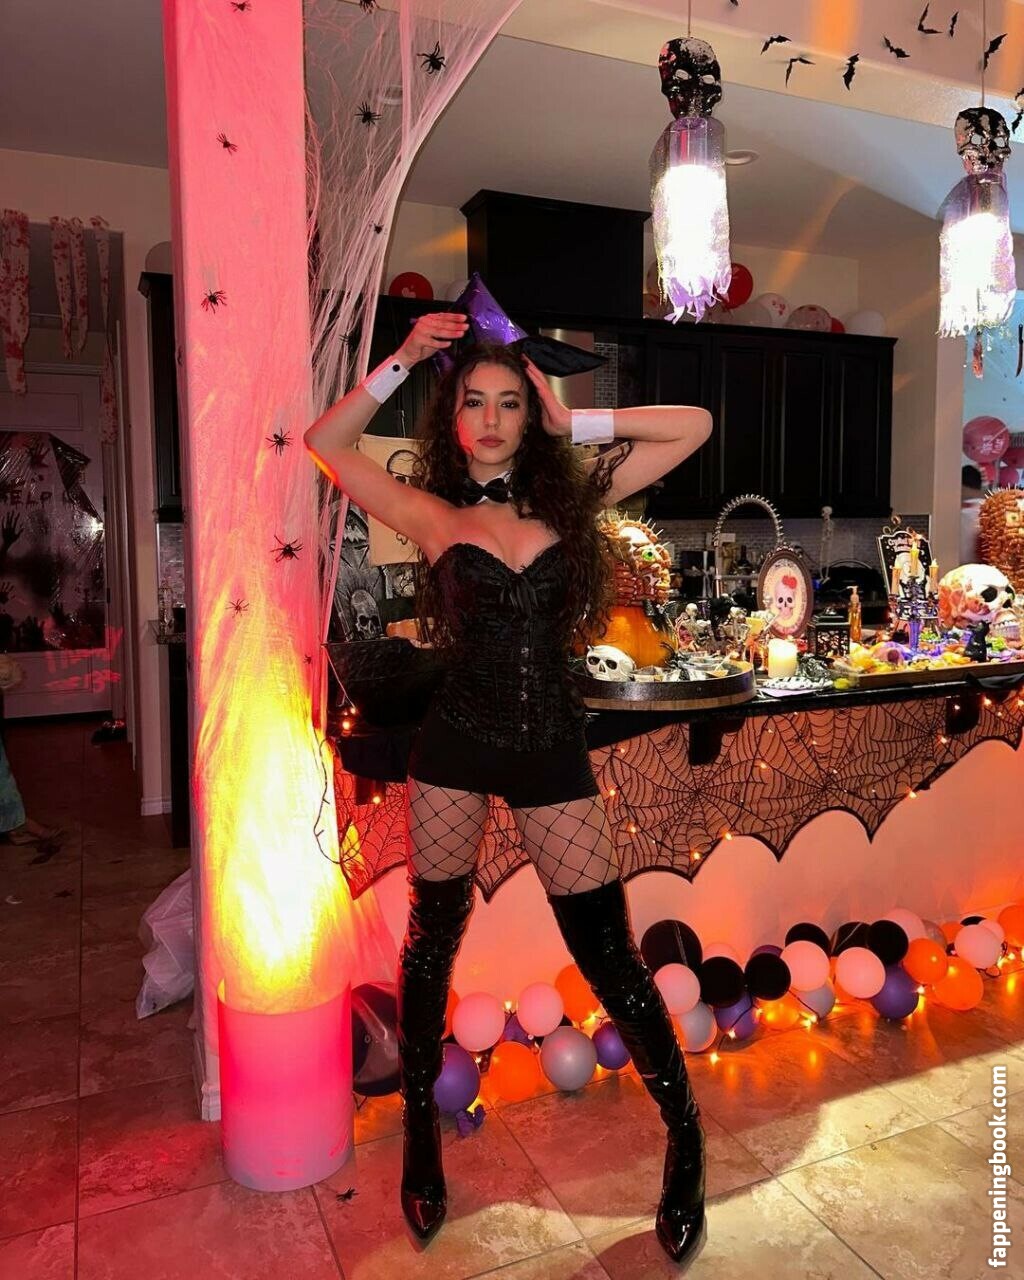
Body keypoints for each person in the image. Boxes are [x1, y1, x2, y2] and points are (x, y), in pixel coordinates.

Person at [305, 312, 713, 1266]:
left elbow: (692, 425)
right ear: (452, 420)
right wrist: (403, 358)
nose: (491, 420)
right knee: (431, 944)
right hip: (456, 745)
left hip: (548, 751)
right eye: (475, 403)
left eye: (511, 404)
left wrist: (578, 422)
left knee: (607, 953)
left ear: (531, 418)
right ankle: (419, 1132)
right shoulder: (430, 513)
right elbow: (327, 443)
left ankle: (686, 1137)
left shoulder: (574, 499)